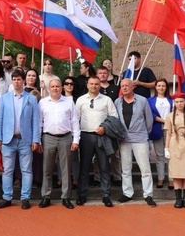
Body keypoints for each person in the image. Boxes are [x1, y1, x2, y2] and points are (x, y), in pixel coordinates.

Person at [0, 70, 41, 210]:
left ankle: (25, 197)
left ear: (23, 81)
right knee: (8, 170)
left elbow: (35, 121)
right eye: (14, 79)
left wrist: (36, 140)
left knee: (26, 170)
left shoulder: (31, 99)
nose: (16, 81)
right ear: (12, 81)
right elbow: (0, 119)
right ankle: (7, 197)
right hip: (8, 140)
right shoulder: (5, 98)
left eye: (19, 79)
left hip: (25, 140)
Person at [75, 76, 119, 207]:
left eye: (96, 84)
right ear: (87, 85)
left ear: (100, 85)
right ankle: (82, 195)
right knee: (84, 166)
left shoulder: (107, 100)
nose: (94, 86)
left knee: (104, 166)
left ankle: (106, 195)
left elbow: (114, 117)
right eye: (91, 84)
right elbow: (75, 119)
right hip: (86, 136)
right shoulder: (80, 100)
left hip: (102, 136)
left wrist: (104, 127)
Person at [38, 79, 80, 209]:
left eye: (57, 86)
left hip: (65, 137)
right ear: (49, 88)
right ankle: (46, 196)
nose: (55, 88)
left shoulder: (69, 102)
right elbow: (39, 123)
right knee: (47, 169)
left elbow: (75, 122)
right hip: (48, 137)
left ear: (62, 88)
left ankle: (66, 197)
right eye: (53, 86)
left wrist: (76, 140)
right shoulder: (43, 102)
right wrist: (38, 140)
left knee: (66, 168)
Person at [114, 79, 156, 206]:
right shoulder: (117, 102)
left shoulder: (142, 100)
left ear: (133, 87)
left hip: (140, 138)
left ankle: (148, 194)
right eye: (122, 86)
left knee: (145, 168)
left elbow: (149, 119)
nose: (125, 88)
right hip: (124, 139)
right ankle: (127, 193)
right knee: (125, 168)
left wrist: (144, 132)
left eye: (127, 85)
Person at [164, 92, 185, 208]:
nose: (179, 104)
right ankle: (178, 199)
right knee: (177, 173)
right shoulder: (169, 116)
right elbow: (168, 134)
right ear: (174, 103)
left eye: (181, 101)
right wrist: (166, 148)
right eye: (177, 102)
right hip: (175, 143)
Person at [148, 79, 172, 189]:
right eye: (159, 85)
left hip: (170, 130)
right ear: (155, 87)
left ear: (166, 87)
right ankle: (161, 178)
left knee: (170, 154)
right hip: (157, 128)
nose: (161, 88)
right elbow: (150, 113)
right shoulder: (150, 100)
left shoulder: (172, 100)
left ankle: (171, 178)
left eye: (163, 86)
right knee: (159, 155)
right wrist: (163, 120)